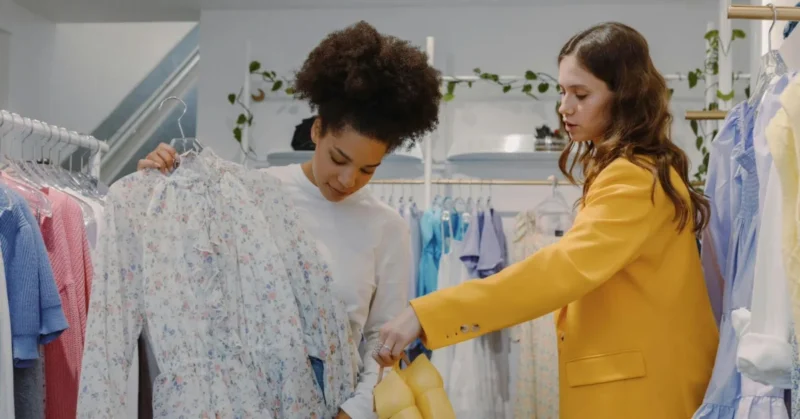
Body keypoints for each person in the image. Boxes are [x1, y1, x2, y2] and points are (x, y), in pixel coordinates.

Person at [373, 22, 719, 419]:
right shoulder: (635, 170)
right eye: (562, 91)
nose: (564, 107)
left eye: (581, 94)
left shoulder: (633, 177)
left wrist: (427, 314)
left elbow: (559, 271)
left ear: (624, 97)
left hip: (641, 396)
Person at [137, 21, 442, 419]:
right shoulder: (250, 193)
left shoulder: (387, 227)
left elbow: (381, 343)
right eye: (338, 158)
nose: (348, 180)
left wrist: (353, 411)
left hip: (336, 406)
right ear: (317, 131)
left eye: (368, 169)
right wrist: (154, 189)